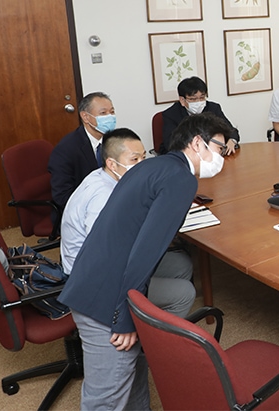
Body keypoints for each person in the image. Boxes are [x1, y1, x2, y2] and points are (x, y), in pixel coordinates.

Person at [58, 113, 233, 409]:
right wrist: (125, 318)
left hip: (98, 280)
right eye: (219, 147)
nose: (222, 156)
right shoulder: (180, 178)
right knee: (106, 397)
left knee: (135, 377)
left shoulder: (155, 165)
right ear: (198, 143)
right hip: (103, 299)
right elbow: (145, 252)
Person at [60, 128, 194, 318]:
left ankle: (147, 318)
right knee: (184, 292)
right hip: (94, 278)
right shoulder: (104, 195)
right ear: (112, 164)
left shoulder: (104, 176)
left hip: (104, 263)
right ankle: (152, 338)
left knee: (181, 264)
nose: (142, 164)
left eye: (143, 157)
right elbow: (108, 251)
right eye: (134, 159)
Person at [48, 92, 116, 216]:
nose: (110, 117)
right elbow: (62, 195)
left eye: (112, 112)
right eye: (103, 113)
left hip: (111, 202)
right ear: (85, 117)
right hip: (82, 211)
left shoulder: (114, 141)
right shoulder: (65, 150)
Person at [159, 76, 240, 155]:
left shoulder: (213, 108)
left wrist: (231, 140)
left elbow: (231, 131)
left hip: (212, 155)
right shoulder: (171, 114)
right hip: (186, 158)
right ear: (182, 100)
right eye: (193, 99)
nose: (198, 102)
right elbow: (170, 144)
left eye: (202, 97)